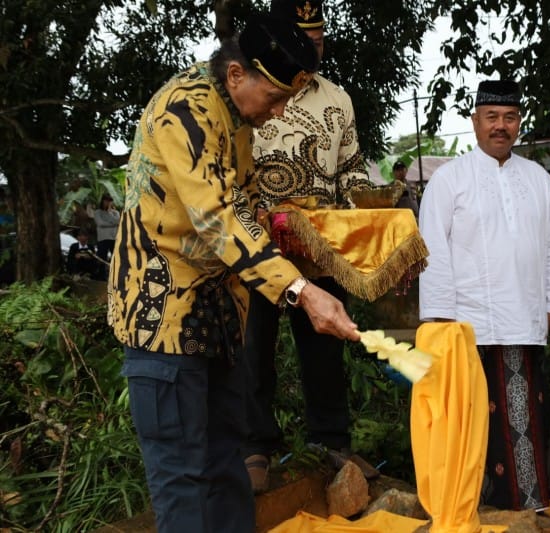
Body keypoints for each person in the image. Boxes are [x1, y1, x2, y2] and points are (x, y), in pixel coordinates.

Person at [107, 13, 359, 533]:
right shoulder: (186, 109)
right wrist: (302, 291)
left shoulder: (235, 116)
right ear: (238, 74)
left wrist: (282, 226)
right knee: (185, 478)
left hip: (218, 319)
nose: (279, 112)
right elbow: (217, 216)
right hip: (163, 318)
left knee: (228, 467)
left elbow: (241, 204)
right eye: (275, 99)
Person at [418, 80, 550, 512]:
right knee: (469, 421)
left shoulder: (537, 178)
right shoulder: (450, 179)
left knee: (524, 417)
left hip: (523, 318)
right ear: (475, 123)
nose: (501, 127)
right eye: (492, 117)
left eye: (509, 117)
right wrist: (439, 317)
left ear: (518, 122)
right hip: (467, 323)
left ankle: (529, 505)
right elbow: (432, 253)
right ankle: (470, 506)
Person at [242, 0, 375, 493]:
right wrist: (257, 218)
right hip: (255, 243)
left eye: (318, 41)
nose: (311, 50)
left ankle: (331, 439)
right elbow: (231, 174)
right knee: (253, 345)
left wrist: (363, 207)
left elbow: (352, 165)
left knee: (323, 345)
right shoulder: (251, 93)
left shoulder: (337, 98)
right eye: (302, 41)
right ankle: (253, 445)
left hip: (318, 247)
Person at [91, 193, 119, 279]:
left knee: (116, 258)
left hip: (114, 238)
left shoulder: (115, 213)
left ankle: (116, 276)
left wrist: (109, 212)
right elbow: (100, 223)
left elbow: (118, 222)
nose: (108, 203)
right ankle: (101, 276)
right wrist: (112, 223)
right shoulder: (97, 212)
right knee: (102, 258)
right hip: (103, 239)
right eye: (106, 201)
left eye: (110, 201)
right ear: (102, 201)